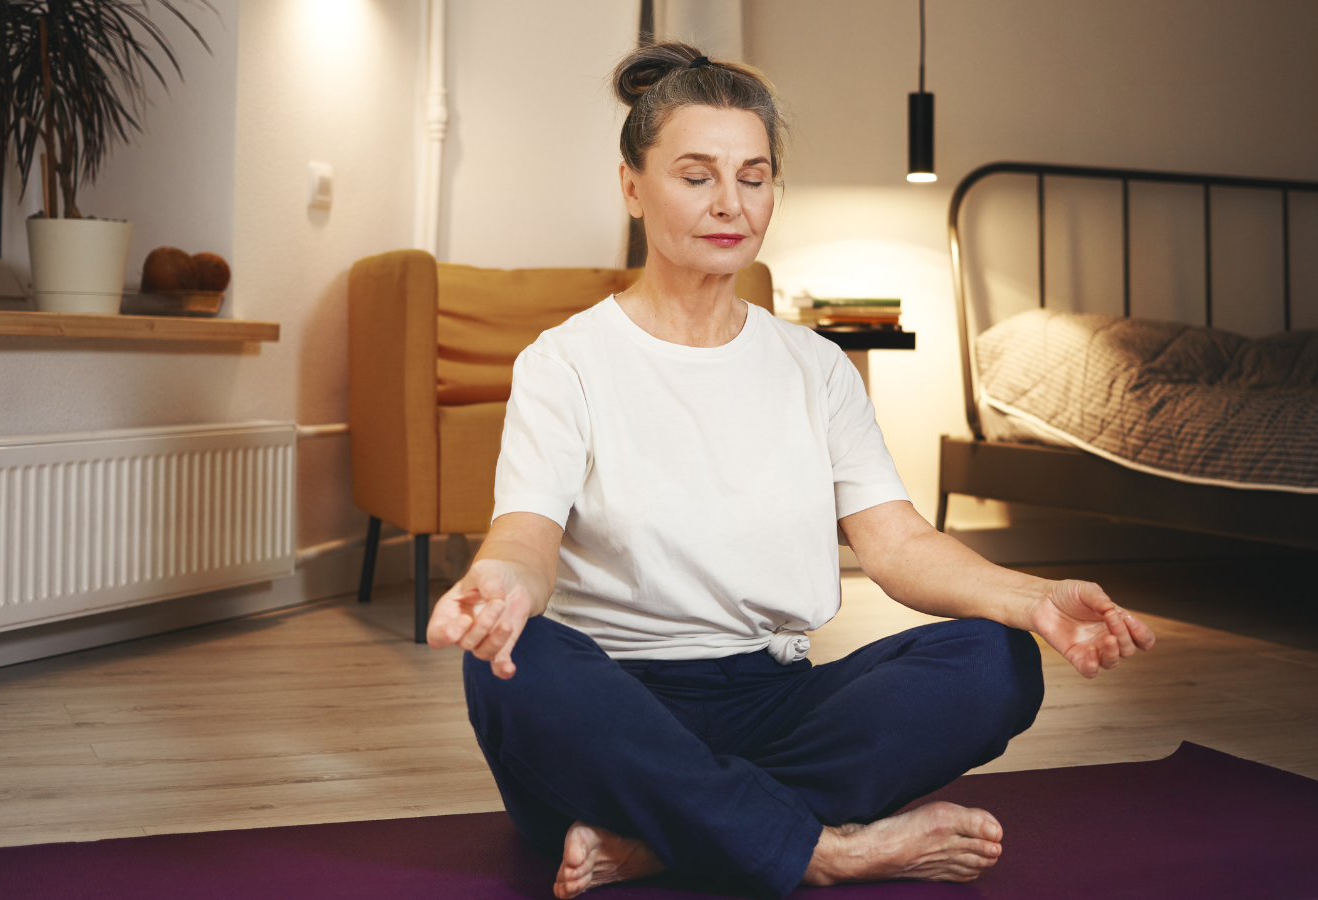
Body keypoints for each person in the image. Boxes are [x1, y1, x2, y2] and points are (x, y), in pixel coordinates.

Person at [428, 41, 1156, 900]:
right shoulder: (569, 361)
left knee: (995, 661)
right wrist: (501, 584)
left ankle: (667, 838)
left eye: (754, 175)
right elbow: (527, 533)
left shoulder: (816, 367)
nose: (730, 203)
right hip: (619, 702)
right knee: (513, 664)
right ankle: (830, 851)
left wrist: (1031, 599)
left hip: (773, 698)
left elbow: (898, 544)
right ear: (631, 185)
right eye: (696, 175)